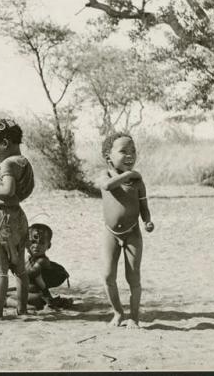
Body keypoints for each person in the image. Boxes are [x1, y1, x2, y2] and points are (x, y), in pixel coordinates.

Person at [94, 132, 154, 329]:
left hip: (132, 233)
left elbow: (143, 207)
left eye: (133, 151)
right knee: (108, 275)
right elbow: (107, 186)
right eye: (123, 151)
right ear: (108, 156)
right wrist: (128, 174)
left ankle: (134, 317)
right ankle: (118, 312)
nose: (130, 156)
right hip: (110, 233)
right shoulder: (105, 175)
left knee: (133, 276)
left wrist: (147, 221)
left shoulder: (138, 183)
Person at [0, 118, 34, 319]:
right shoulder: (24, 163)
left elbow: (8, 190)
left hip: (2, 222)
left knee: (0, 270)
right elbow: (17, 194)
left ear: (4, 144)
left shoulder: (8, 164)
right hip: (17, 218)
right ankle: (23, 309)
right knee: (20, 269)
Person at [25, 223, 72, 310]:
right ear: (26, 243)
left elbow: (31, 273)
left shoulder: (42, 261)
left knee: (8, 298)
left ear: (48, 246)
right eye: (33, 242)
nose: (36, 246)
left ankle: (33, 306)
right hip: (32, 293)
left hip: (39, 296)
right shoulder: (30, 259)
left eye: (41, 243)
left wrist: (16, 266)